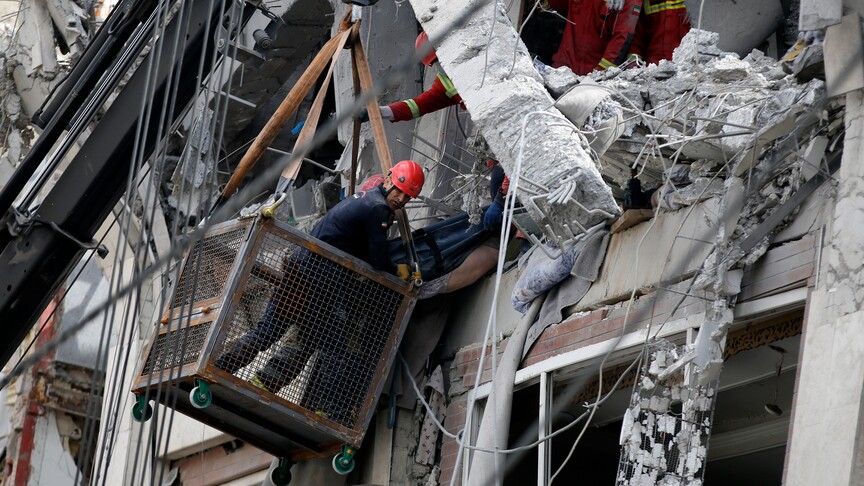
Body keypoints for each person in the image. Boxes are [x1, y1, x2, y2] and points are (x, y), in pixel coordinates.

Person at [214, 160, 425, 415]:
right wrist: (399, 272)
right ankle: (328, 411)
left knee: (270, 330)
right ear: (389, 179)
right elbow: (378, 260)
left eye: (408, 196)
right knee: (334, 346)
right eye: (400, 190)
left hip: (300, 269)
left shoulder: (365, 199)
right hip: (320, 279)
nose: (402, 199)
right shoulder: (377, 208)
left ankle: (221, 368)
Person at [363, 32, 464, 123]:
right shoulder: (443, 84)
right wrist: (379, 112)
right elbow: (416, 106)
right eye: (435, 62)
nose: (441, 64)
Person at [541, 0, 642, 75]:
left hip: (594, 75)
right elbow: (554, 4)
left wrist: (599, 74)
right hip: (562, 70)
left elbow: (621, 38)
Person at [627, 0, 691, 65]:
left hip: (685, 68)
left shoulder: (696, 3)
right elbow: (637, 40)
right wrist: (633, 63)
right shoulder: (647, 2)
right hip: (653, 68)